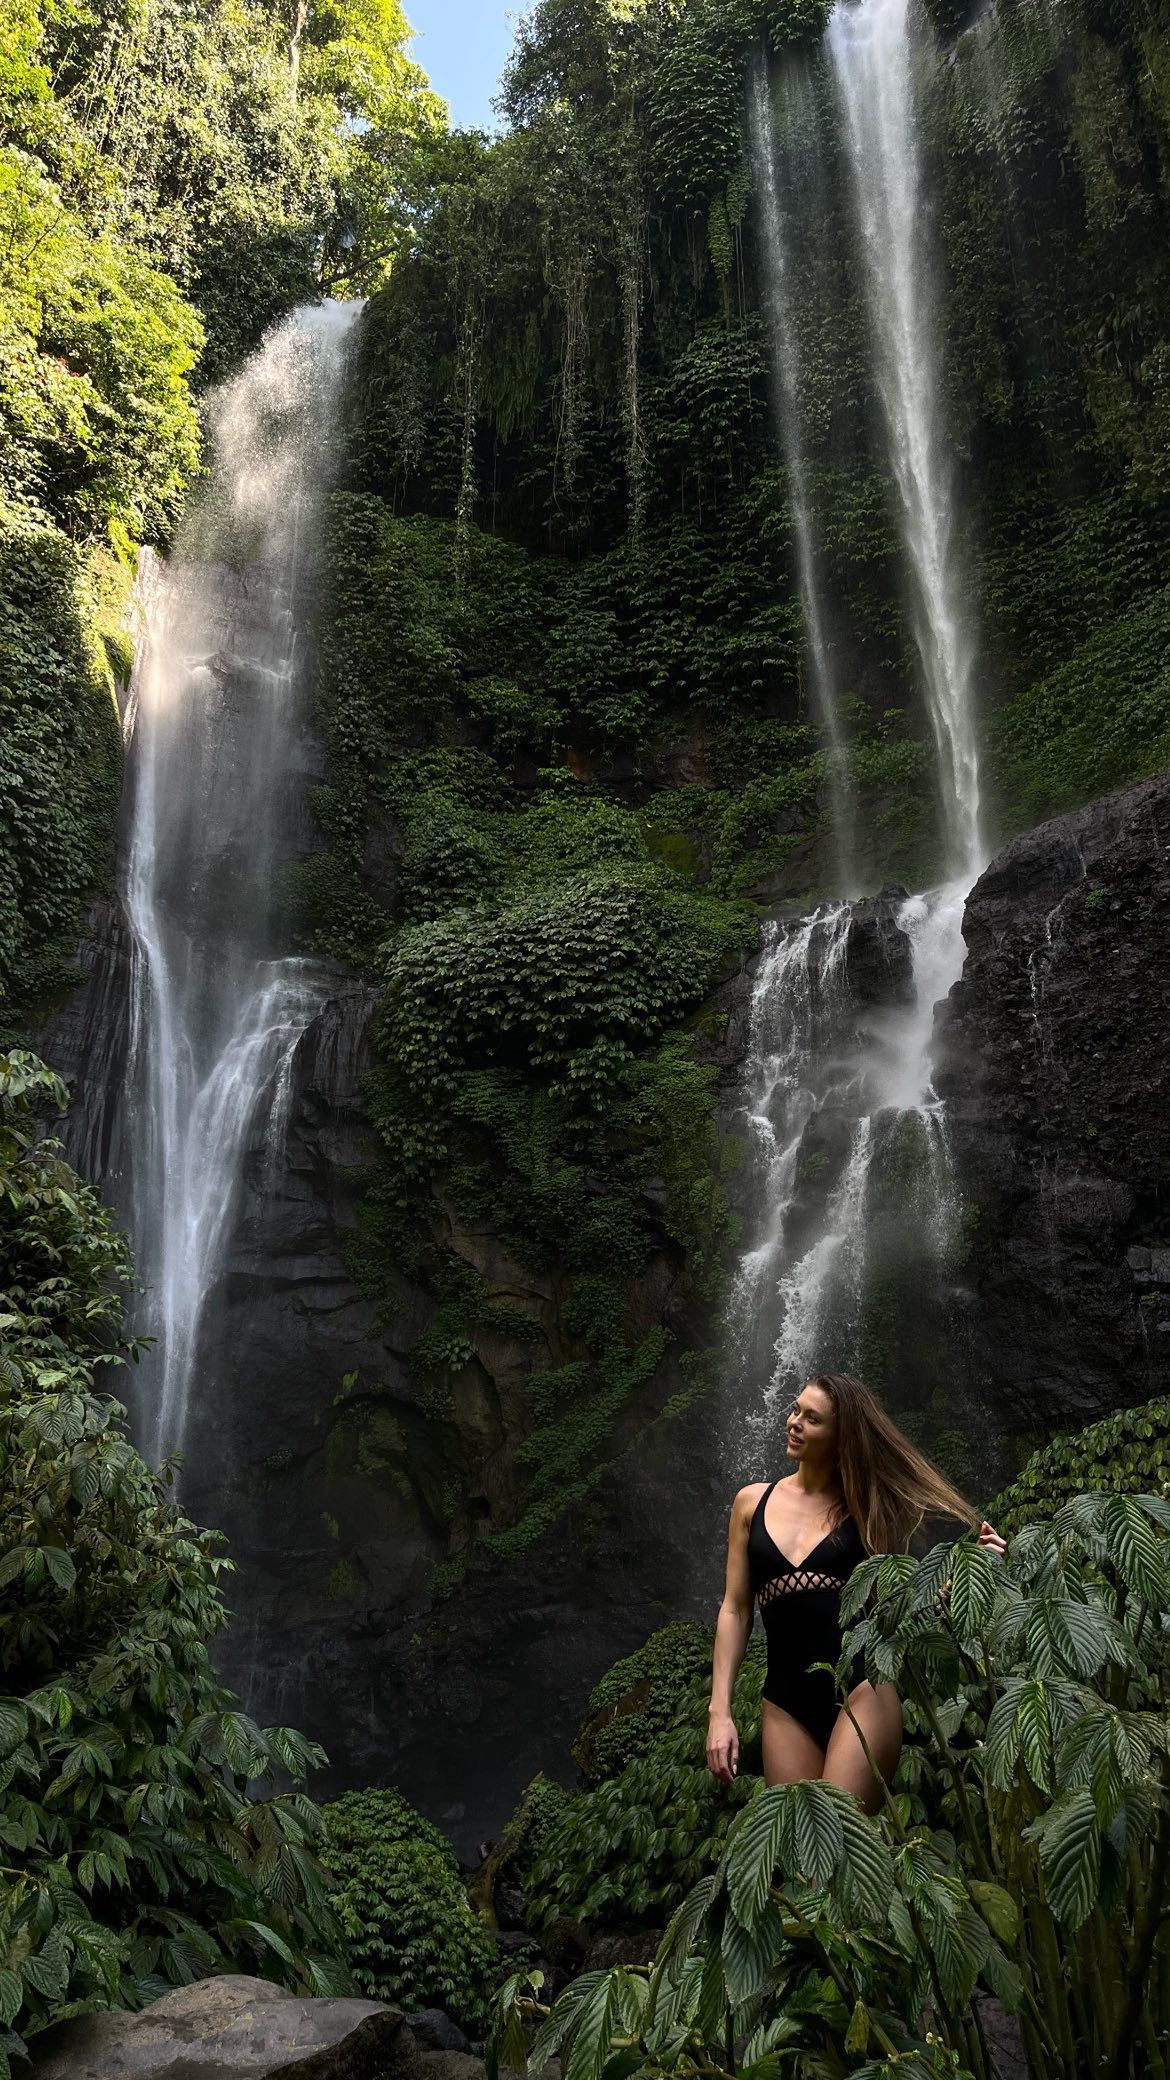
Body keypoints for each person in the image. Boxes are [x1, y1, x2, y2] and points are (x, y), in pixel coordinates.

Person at [705, 1372, 1006, 1814]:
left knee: (841, 1845)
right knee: (804, 1863)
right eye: (794, 1410)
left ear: (841, 1437)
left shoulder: (865, 1508)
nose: (794, 1423)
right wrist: (719, 1712)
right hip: (784, 1702)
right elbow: (735, 1610)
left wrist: (970, 1569)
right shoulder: (750, 1503)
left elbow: (897, 1609)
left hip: (863, 1691)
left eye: (812, 1419)